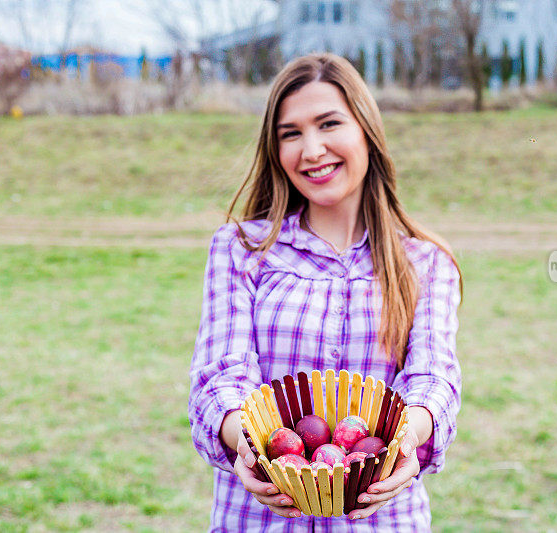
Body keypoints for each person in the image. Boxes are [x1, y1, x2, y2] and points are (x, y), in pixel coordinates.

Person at [188, 53, 462, 532]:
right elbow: (221, 374)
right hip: (256, 521)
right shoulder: (242, 249)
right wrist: (246, 441)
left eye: (328, 123)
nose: (311, 150)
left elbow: (433, 378)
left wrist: (407, 439)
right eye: (290, 133)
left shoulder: (425, 263)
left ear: (366, 130)